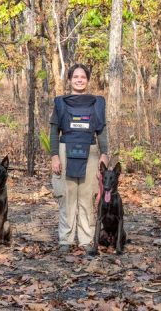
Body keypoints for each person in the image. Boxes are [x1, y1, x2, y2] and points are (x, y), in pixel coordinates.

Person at [50, 63, 108, 252]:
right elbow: (53, 131)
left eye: (83, 77)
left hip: (90, 151)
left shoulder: (97, 102)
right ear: (69, 80)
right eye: (76, 77)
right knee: (67, 196)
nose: (79, 80)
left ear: (88, 80)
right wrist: (54, 156)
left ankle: (85, 239)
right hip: (66, 149)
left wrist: (104, 154)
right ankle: (66, 239)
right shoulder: (60, 102)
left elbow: (101, 131)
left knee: (86, 196)